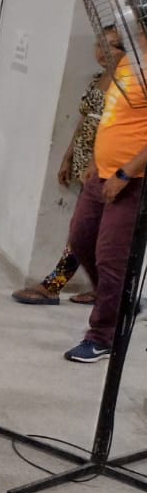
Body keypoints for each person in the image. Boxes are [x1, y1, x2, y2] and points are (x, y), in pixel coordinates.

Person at [13, 31, 123, 306]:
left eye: (112, 46)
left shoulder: (129, 85)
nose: (102, 51)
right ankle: (99, 288)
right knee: (85, 228)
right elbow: (85, 120)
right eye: (100, 44)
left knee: (90, 231)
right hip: (87, 162)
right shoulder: (99, 79)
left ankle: (57, 283)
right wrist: (69, 156)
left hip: (109, 166)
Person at [62, 31, 147, 363]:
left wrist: (124, 174)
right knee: (80, 238)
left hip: (132, 180)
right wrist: (96, 162)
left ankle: (102, 335)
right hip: (101, 172)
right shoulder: (127, 64)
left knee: (110, 257)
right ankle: (121, 300)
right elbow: (111, 118)